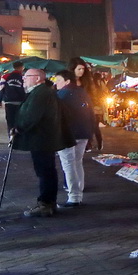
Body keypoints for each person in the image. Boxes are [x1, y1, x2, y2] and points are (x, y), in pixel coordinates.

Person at [12, 68, 74, 217]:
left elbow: (31, 115)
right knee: (46, 170)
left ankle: (46, 203)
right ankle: (47, 202)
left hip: (42, 138)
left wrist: (18, 128)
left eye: (27, 76)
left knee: (45, 170)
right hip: (44, 138)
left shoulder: (41, 93)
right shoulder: (42, 92)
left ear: (38, 78)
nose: (24, 79)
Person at [54, 70, 95, 208]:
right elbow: (91, 113)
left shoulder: (61, 95)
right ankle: (79, 190)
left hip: (68, 133)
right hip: (83, 132)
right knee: (77, 162)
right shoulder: (82, 92)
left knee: (68, 164)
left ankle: (74, 197)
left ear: (67, 81)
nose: (55, 83)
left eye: (58, 80)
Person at [71, 58, 104, 151]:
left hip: (85, 111)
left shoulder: (87, 82)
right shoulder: (68, 80)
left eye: (83, 69)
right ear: (72, 69)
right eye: (79, 69)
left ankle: (91, 144)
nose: (81, 71)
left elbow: (92, 96)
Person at [0, 61, 26, 142]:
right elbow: (25, 89)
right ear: (21, 67)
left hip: (9, 102)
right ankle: (19, 138)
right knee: (19, 120)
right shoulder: (23, 77)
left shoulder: (5, 76)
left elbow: (0, 89)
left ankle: (11, 137)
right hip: (20, 102)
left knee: (10, 121)